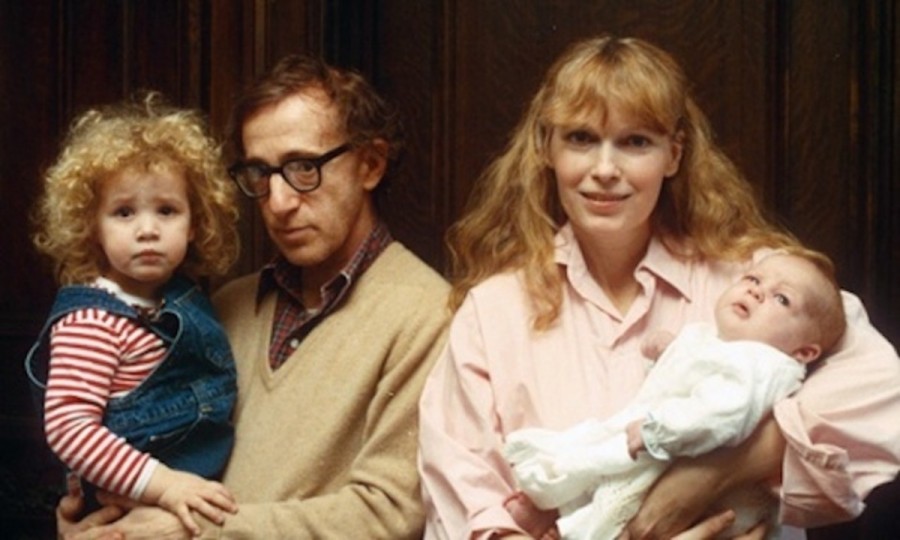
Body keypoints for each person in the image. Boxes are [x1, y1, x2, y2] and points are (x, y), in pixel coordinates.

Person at [417, 34, 900, 540]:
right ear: (545, 147)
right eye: (581, 138)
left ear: (674, 154)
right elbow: (463, 500)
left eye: (636, 142)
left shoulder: (756, 280)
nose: (605, 170)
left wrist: (716, 474)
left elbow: (880, 391)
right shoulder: (492, 311)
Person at [58, 53, 451, 539]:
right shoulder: (222, 306)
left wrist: (194, 532)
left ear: (370, 164)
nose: (279, 202)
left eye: (304, 167)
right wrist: (95, 524)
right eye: (261, 173)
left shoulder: (427, 314)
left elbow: (388, 514)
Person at [504, 249, 846, 539]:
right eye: (753, 279)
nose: (757, 292)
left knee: (621, 488)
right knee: (602, 456)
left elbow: (723, 412)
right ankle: (552, 505)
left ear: (804, 352)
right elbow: (685, 379)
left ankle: (567, 527)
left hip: (690, 460)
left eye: (782, 299)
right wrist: (671, 351)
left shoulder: (764, 364)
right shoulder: (718, 340)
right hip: (671, 445)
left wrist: (661, 431)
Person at [25, 92, 242, 536]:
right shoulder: (91, 321)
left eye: (167, 210)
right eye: (123, 212)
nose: (147, 230)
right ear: (93, 227)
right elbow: (68, 428)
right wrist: (165, 486)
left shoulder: (185, 303)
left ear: (194, 224)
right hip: (127, 510)